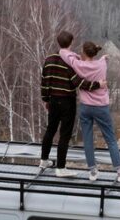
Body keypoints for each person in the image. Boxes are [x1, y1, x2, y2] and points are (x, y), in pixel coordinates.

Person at [59, 41, 120, 183]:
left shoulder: (78, 64)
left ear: (83, 52)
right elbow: (101, 60)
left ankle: (93, 171)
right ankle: (119, 171)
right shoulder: (102, 64)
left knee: (87, 139)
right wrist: (102, 57)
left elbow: (63, 52)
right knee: (110, 139)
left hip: (85, 107)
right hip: (101, 107)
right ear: (95, 53)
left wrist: (77, 55)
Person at [39, 31, 104, 178]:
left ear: (58, 42)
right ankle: (61, 167)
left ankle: (44, 160)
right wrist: (97, 84)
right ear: (71, 43)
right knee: (65, 134)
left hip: (53, 100)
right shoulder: (70, 61)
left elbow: (44, 81)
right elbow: (79, 83)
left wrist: (46, 100)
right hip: (67, 101)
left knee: (50, 130)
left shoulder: (49, 59)